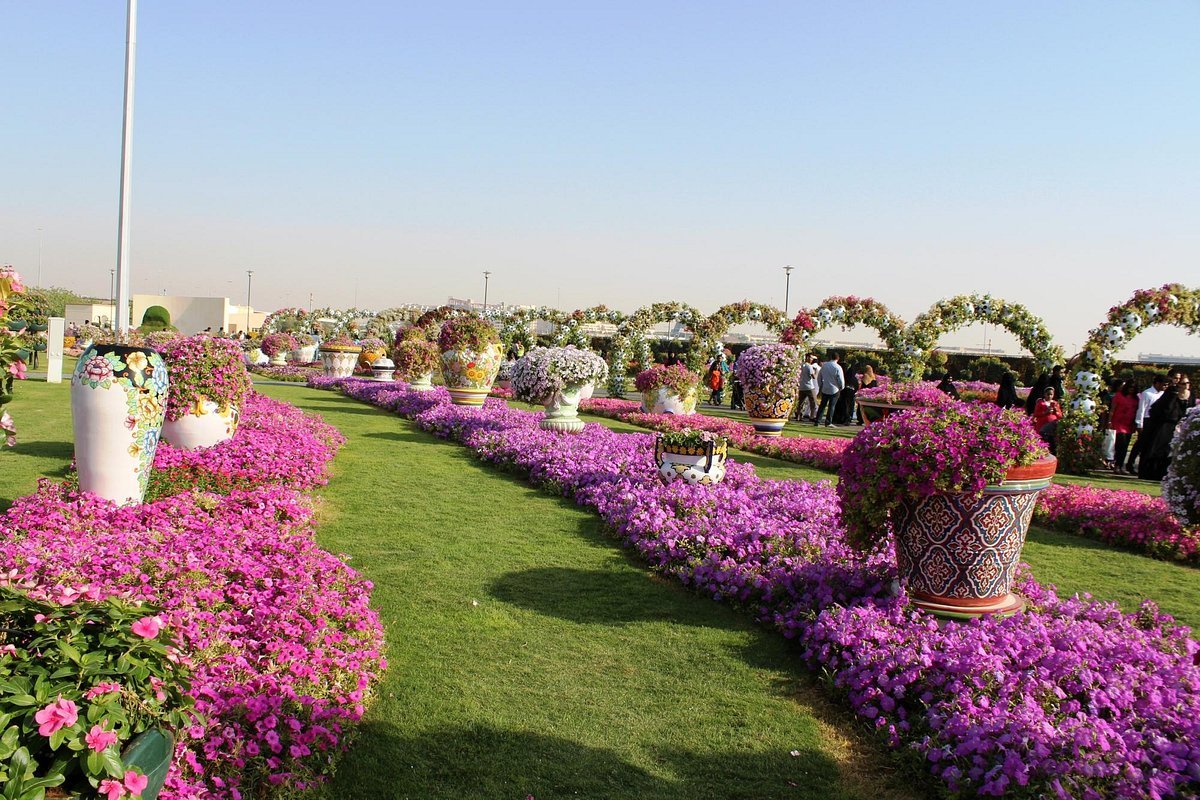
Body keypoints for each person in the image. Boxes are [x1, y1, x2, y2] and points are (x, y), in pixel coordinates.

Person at [1140, 376, 1194, 481]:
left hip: (1181, 426)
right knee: (1159, 449)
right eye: (1183, 383)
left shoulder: (1191, 395)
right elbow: (1162, 408)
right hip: (1166, 425)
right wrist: (1174, 396)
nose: (1186, 385)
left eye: (1188, 383)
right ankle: (1153, 473)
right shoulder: (1171, 393)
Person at [1127, 375, 1167, 474]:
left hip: (1156, 421)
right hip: (1147, 420)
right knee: (1140, 444)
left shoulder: (1163, 394)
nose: (1165, 387)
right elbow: (1141, 409)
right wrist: (1139, 424)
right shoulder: (1147, 393)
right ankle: (1130, 463)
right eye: (1164, 384)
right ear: (1157, 383)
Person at [1108, 380, 1138, 474]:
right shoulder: (1119, 396)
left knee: (1125, 446)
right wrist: (1109, 421)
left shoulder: (1136, 399)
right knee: (1120, 444)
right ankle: (1116, 465)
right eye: (1130, 388)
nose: (1131, 390)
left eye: (1133, 389)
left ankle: (1120, 466)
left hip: (1129, 424)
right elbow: (1113, 409)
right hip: (1118, 423)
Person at [815, 352, 845, 427]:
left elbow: (819, 377)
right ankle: (828, 422)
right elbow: (840, 379)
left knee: (822, 405)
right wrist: (841, 387)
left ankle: (817, 421)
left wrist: (820, 385)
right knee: (832, 406)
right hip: (834, 388)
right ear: (838, 358)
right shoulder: (838, 367)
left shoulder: (824, 366)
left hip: (825, 388)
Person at [794, 353, 820, 421]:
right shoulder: (809, 366)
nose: (811, 359)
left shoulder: (801, 365)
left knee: (800, 402)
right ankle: (812, 416)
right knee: (813, 402)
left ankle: (798, 416)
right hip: (809, 387)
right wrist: (816, 372)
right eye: (811, 358)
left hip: (802, 386)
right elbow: (813, 376)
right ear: (807, 358)